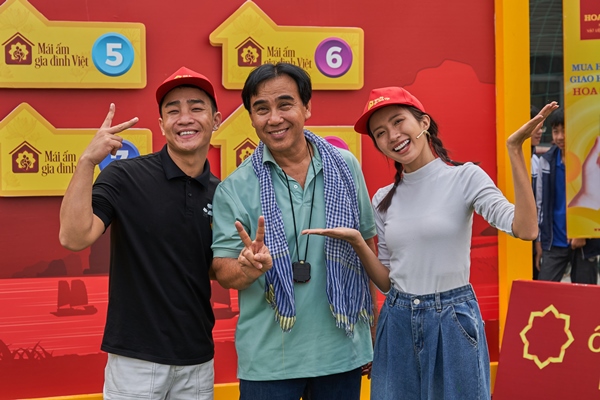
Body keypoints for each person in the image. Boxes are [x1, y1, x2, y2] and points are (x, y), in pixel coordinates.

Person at [303, 86, 557, 399]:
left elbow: (526, 229)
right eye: (380, 133)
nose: (392, 136)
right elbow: (386, 282)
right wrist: (358, 242)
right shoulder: (382, 199)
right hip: (397, 319)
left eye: (398, 122)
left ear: (424, 122)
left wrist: (515, 150)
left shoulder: (465, 178)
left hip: (453, 321)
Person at [211, 62, 378, 400]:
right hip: (270, 361)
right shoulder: (234, 188)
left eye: (285, 104)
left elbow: (366, 247)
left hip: (342, 352)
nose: (274, 118)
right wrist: (246, 268)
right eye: (262, 109)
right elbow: (222, 270)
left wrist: (372, 330)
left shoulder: (346, 167)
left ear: (306, 107)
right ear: (251, 117)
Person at [59, 66, 222, 399]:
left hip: (197, 359)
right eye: (173, 111)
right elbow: (74, 238)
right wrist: (87, 161)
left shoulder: (222, 193)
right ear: (161, 125)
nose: (185, 118)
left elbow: (215, 267)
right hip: (135, 360)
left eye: (196, 108)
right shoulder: (124, 176)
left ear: (215, 120)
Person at [535, 108, 600, 284]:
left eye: (565, 130)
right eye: (556, 131)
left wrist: (582, 233)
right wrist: (540, 240)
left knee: (584, 295)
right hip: (554, 241)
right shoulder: (546, 162)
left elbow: (595, 198)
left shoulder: (588, 159)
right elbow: (540, 204)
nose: (560, 137)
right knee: (544, 290)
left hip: (584, 243)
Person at [530, 105, 544, 280]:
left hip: (536, 236)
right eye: (535, 126)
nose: (539, 132)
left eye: (541, 127)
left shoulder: (538, 162)